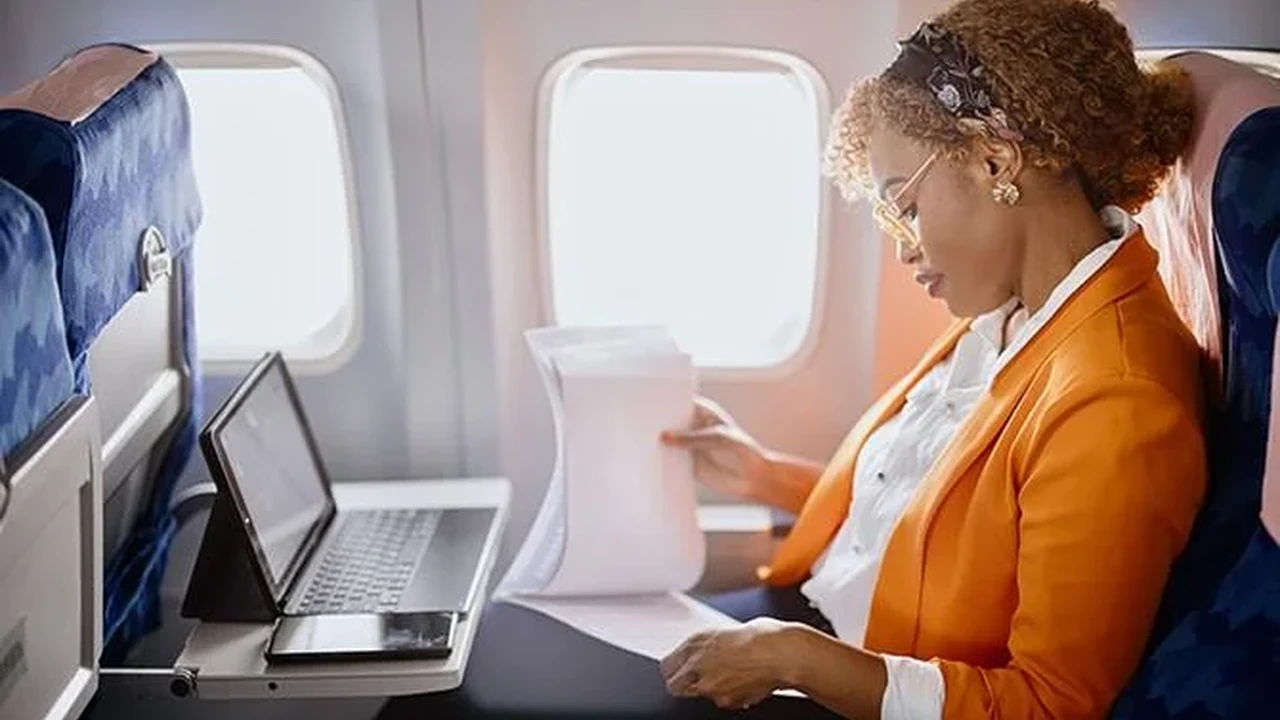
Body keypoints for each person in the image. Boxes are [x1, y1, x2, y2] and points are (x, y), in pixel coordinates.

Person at [658, 0, 1208, 718]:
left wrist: (798, 659)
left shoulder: (1116, 400)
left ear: (995, 158)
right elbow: (934, 519)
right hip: (807, 621)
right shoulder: (1017, 311)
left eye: (904, 207)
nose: (904, 246)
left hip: (862, 682)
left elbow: (1051, 704)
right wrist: (764, 475)